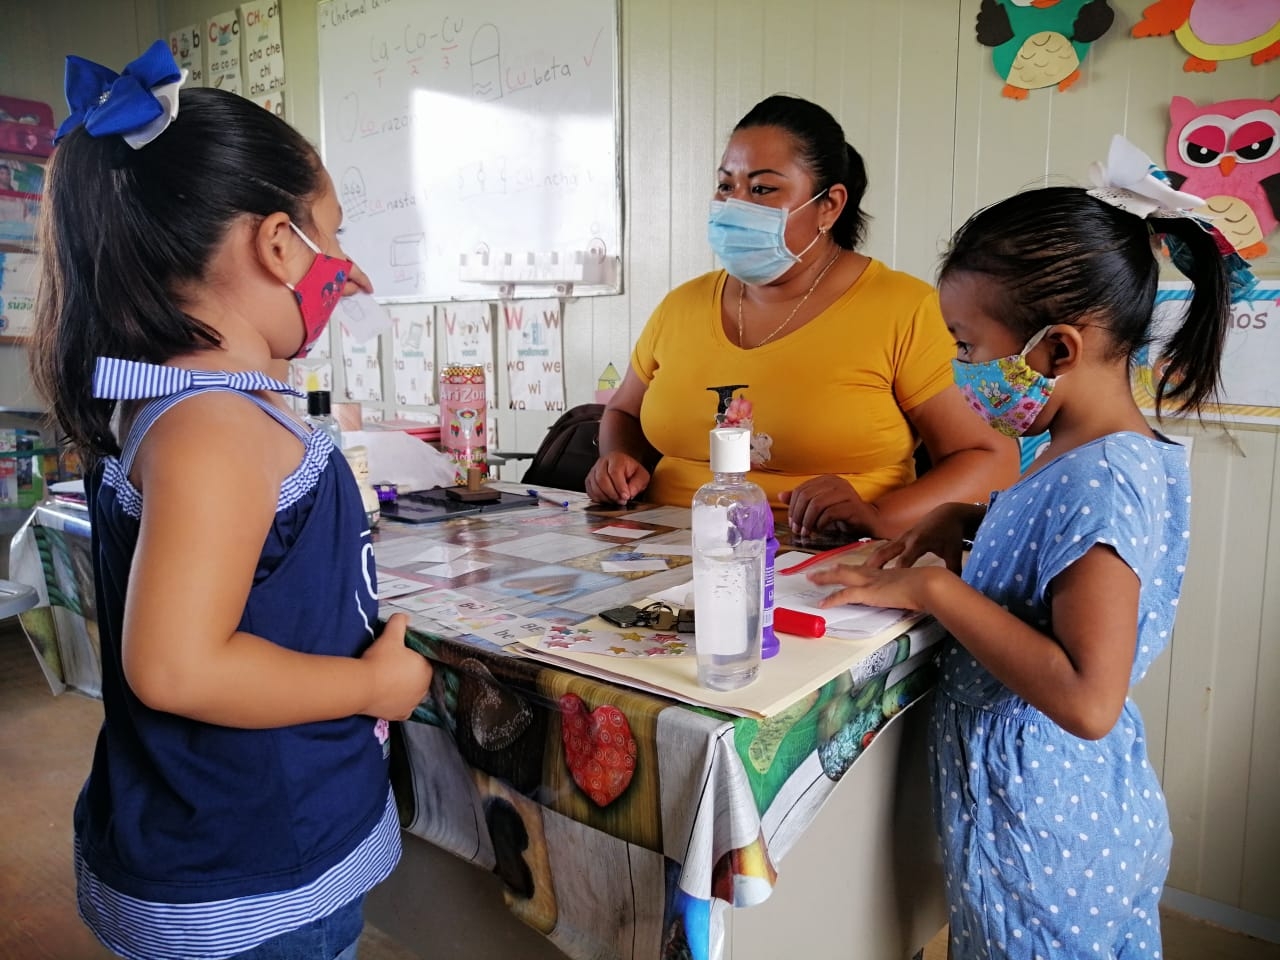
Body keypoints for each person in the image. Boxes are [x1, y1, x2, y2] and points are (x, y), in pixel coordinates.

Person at [28, 41, 432, 960]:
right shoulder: (214, 431)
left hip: (247, 841)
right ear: (280, 244)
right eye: (335, 235)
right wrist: (373, 685)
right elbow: (177, 668)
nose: (352, 270)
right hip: (249, 879)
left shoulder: (191, 407)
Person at [808, 145, 1234, 959]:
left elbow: (1086, 696)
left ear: (1058, 350)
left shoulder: (1101, 480)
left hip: (1049, 837)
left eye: (967, 347)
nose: (963, 371)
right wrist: (964, 520)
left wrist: (934, 592)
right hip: (1053, 811)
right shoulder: (1086, 453)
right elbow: (1053, 557)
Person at [585, 94, 1017, 540]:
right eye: (726, 186)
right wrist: (618, 461)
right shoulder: (681, 305)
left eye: (762, 189)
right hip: (661, 553)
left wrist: (878, 515)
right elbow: (623, 412)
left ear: (829, 205)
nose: (735, 205)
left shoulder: (905, 309)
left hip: (825, 562)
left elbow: (988, 457)